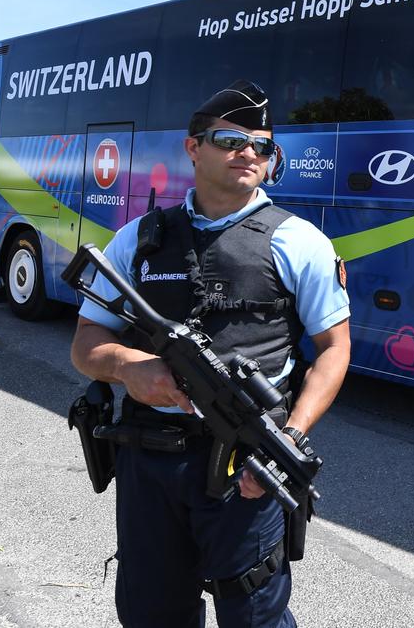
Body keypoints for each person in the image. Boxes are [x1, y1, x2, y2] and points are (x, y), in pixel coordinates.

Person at [70, 80, 351, 628]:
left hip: (249, 467)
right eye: (230, 139)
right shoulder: (138, 239)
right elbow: (86, 344)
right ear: (193, 147)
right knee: (152, 613)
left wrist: (290, 436)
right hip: (149, 461)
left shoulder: (300, 243)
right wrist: (129, 367)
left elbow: (334, 350)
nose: (249, 153)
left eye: (263, 146)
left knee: (254, 616)